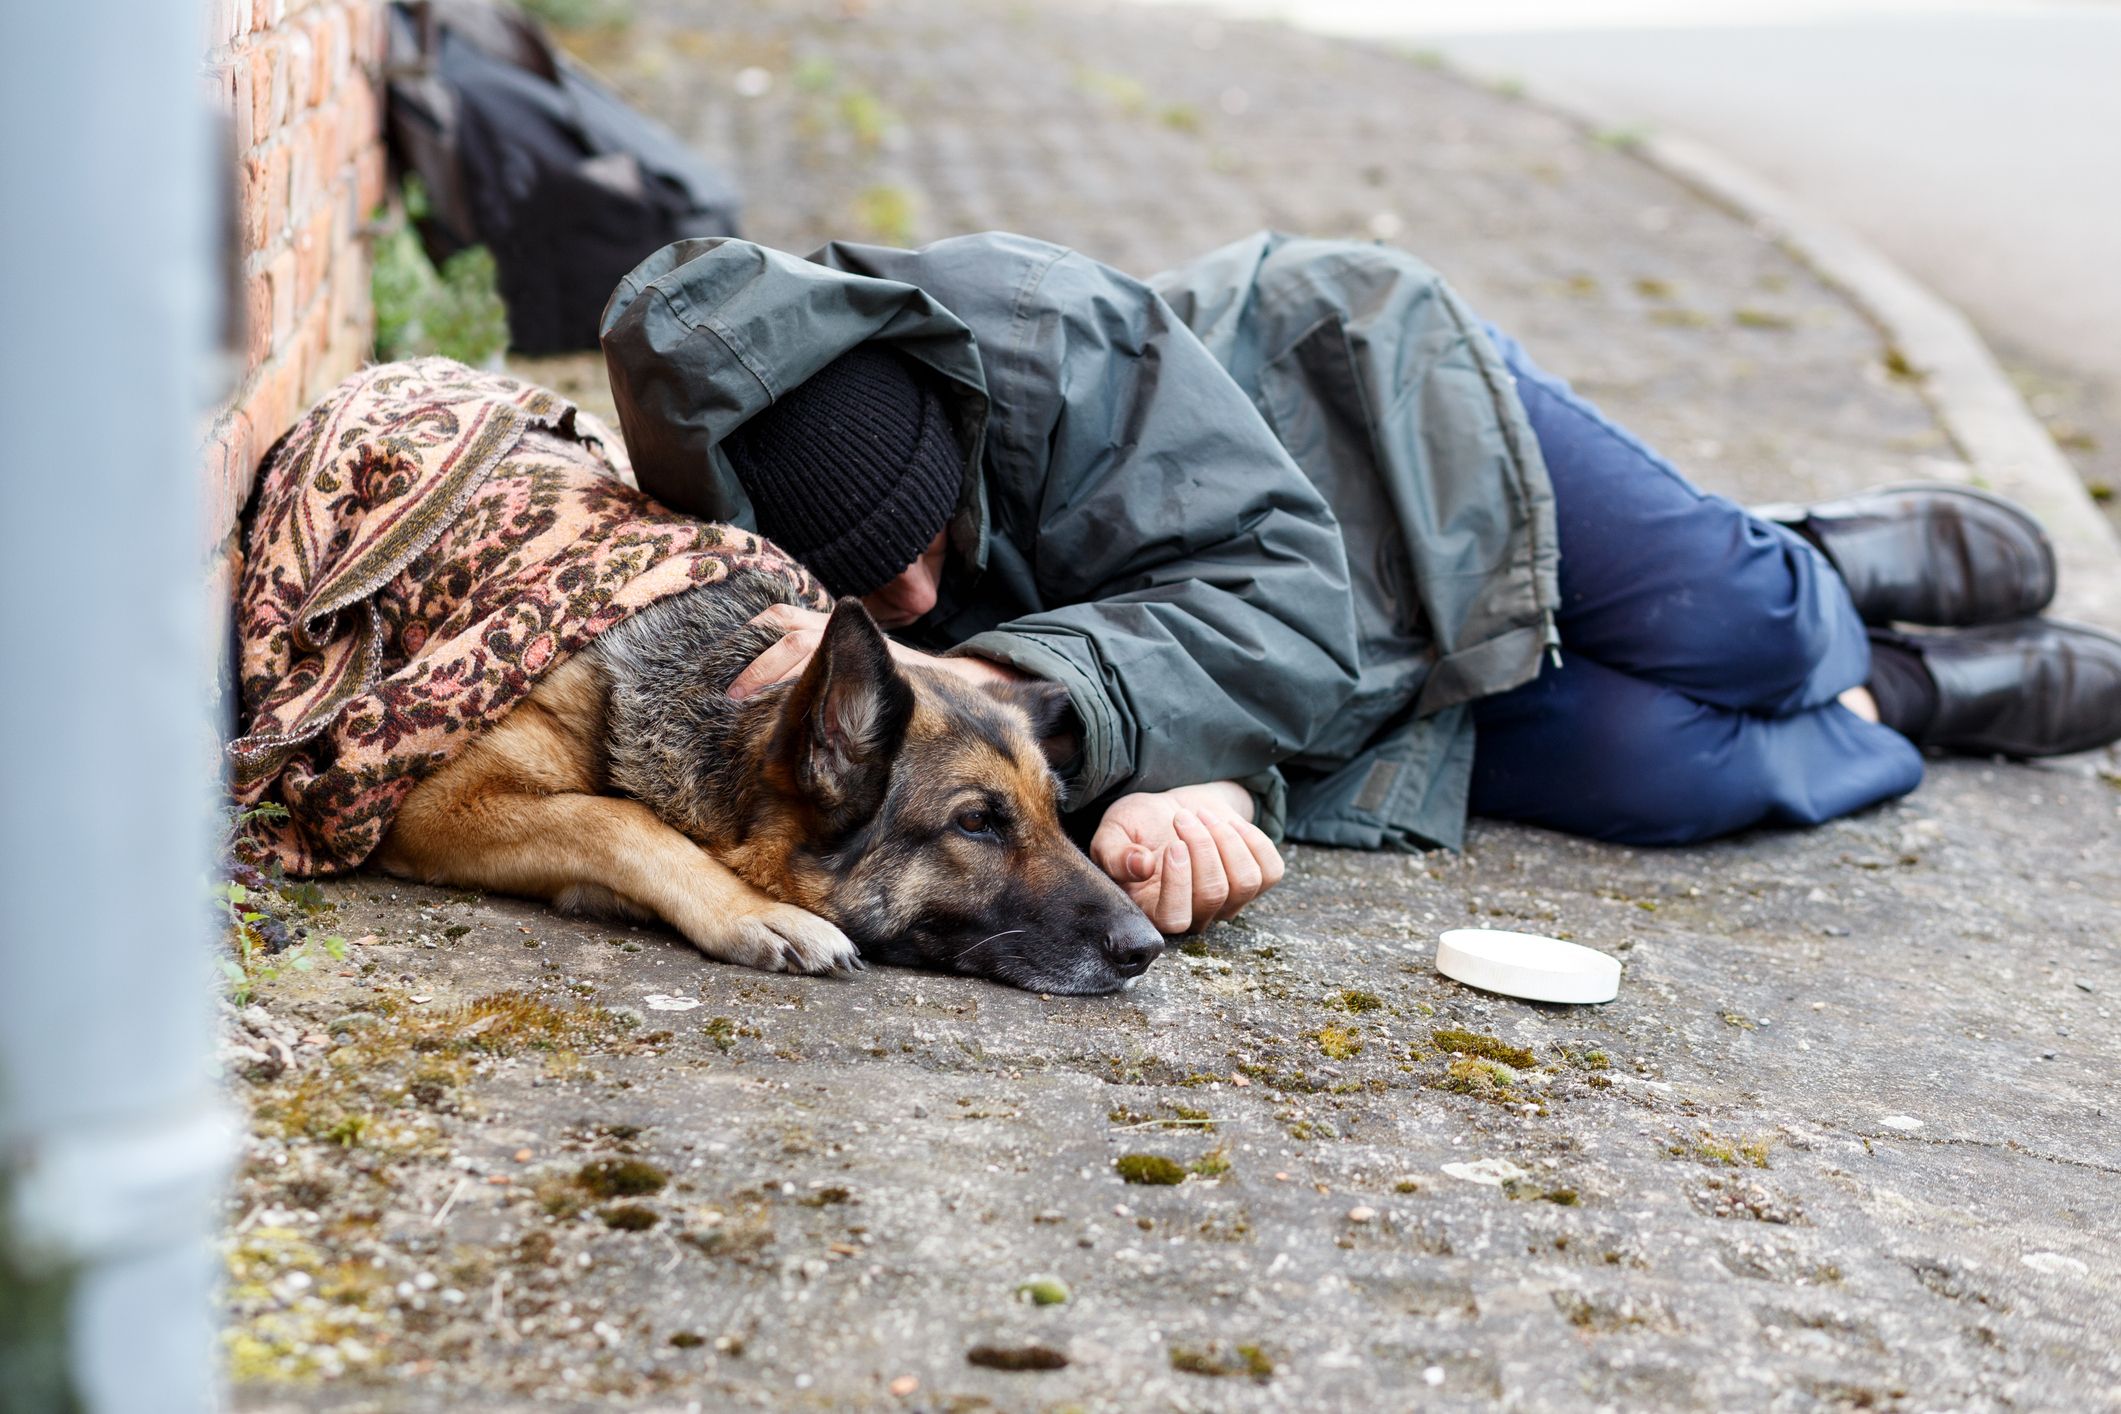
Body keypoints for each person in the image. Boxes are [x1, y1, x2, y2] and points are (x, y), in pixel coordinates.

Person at [599, 231, 2121, 935]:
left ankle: (1810, 564)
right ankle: (1906, 691)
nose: (919, 602)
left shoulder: (1041, 330)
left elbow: (1273, 585)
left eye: (930, 538)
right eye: (876, 581)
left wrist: (1022, 691)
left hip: (1383, 442)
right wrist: (1174, 793)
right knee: (1675, 771)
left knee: (1743, 629)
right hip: (1300, 683)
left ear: (941, 417)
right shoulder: (760, 542)